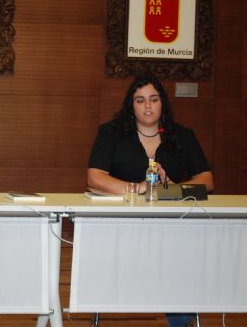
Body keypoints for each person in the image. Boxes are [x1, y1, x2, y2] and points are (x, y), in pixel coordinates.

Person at [87, 74, 214, 327]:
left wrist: (174, 189)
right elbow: (94, 178)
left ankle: (181, 319)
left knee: (182, 259)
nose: (147, 106)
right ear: (131, 105)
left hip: (173, 225)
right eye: (140, 100)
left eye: (154, 99)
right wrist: (139, 188)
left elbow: (207, 180)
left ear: (162, 103)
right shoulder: (111, 133)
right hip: (123, 224)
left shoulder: (182, 135)